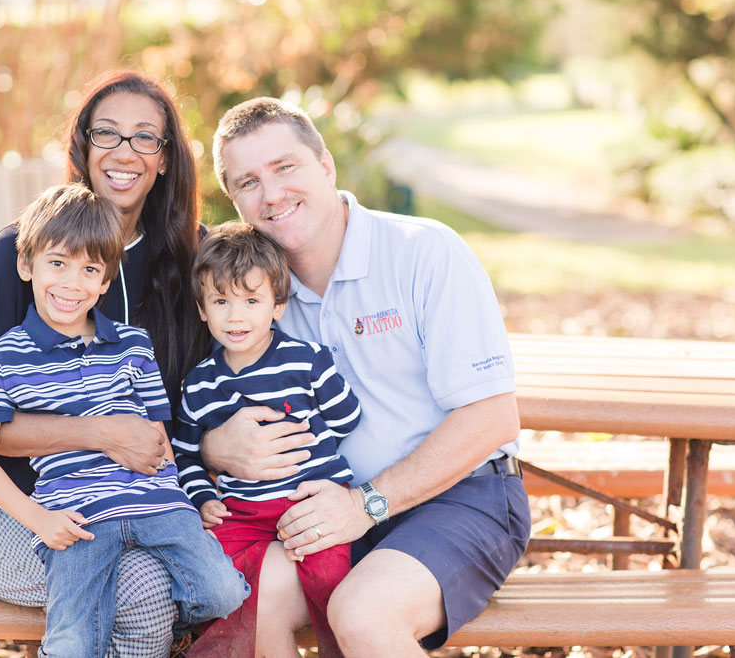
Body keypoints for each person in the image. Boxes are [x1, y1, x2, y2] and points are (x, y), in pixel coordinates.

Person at [200, 97, 531, 657]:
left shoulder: (424, 252)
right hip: (322, 506)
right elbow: (210, 414)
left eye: (286, 168)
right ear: (235, 202)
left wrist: (365, 506)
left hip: (459, 496)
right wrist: (213, 447)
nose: (272, 193)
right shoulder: (249, 297)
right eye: (249, 182)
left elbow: (492, 417)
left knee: (363, 613)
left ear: (325, 165)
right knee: (249, 601)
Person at [0, 70, 210, 658]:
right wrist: (96, 433)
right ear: (83, 146)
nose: (125, 152)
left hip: (146, 508)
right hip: (15, 510)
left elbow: (207, 405)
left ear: (165, 159)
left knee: (166, 578)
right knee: (142, 588)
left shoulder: (191, 258)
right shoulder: (27, 250)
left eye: (146, 138)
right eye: (106, 134)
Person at [0, 184, 248, 657]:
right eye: (58, 263)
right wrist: (39, 520)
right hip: (79, 519)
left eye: (89, 269)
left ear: (105, 281)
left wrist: (182, 498)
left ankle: (174, 632)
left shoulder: (134, 346)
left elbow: (159, 435)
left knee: (224, 593)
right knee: (74, 641)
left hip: (156, 508)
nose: (72, 284)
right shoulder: (5, 358)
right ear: (26, 265)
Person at [171, 221, 361, 658]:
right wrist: (203, 499)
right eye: (221, 301)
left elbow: (347, 418)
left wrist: (314, 447)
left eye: (251, 301)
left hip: (309, 501)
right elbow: (185, 453)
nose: (235, 316)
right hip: (243, 513)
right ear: (202, 309)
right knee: (215, 579)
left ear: (277, 306)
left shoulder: (307, 361)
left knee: (331, 582)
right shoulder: (199, 384)